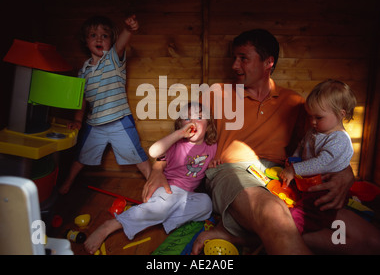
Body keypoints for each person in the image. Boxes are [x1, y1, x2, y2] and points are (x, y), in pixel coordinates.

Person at [143, 29, 379, 255]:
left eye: (243, 58)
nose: (235, 65)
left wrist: (346, 173)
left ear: (269, 63)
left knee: (370, 241)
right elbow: (185, 136)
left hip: (280, 176)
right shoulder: (216, 93)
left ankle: (245, 237)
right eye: (234, 58)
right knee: (273, 214)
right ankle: (259, 233)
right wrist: (158, 167)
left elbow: (320, 146)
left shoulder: (295, 102)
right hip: (231, 171)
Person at [84, 102, 218, 254]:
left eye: (199, 117)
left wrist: (214, 164)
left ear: (208, 125)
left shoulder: (211, 147)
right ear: (180, 124)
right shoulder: (176, 144)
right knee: (165, 205)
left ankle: (160, 217)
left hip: (187, 196)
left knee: (207, 205)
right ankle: (111, 225)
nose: (193, 122)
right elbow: (154, 152)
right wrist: (179, 134)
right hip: (166, 189)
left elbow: (216, 161)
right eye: (187, 118)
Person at [59, 15, 151, 194]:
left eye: (105, 35)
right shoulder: (83, 72)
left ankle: (153, 181)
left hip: (120, 121)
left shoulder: (113, 59)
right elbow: (81, 101)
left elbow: (122, 43)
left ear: (111, 41)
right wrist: (78, 121)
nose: (99, 38)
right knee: (80, 157)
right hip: (95, 125)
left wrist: (129, 30)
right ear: (86, 41)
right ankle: (68, 182)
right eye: (93, 35)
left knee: (138, 156)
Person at [280, 79, 357, 234]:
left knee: (309, 211)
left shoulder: (339, 139)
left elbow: (322, 162)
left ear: (340, 114)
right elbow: (302, 147)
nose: (313, 122)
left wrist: (294, 169)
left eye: (319, 117)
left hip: (325, 189)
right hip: (308, 183)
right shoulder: (314, 131)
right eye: (310, 116)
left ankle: (292, 228)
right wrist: (293, 160)